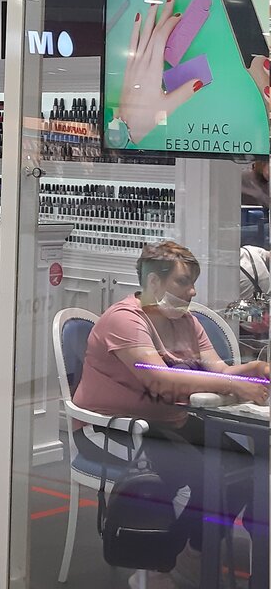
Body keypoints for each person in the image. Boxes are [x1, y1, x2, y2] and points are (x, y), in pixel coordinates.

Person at [73, 241, 269, 589]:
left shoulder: (187, 320)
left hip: (168, 421)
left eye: (193, 282)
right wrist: (235, 386)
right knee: (209, 475)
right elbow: (159, 380)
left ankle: (192, 555)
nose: (192, 291)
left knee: (245, 472)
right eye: (183, 282)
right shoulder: (124, 320)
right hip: (112, 429)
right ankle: (163, 566)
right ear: (154, 282)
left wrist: (251, 372)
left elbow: (218, 370)